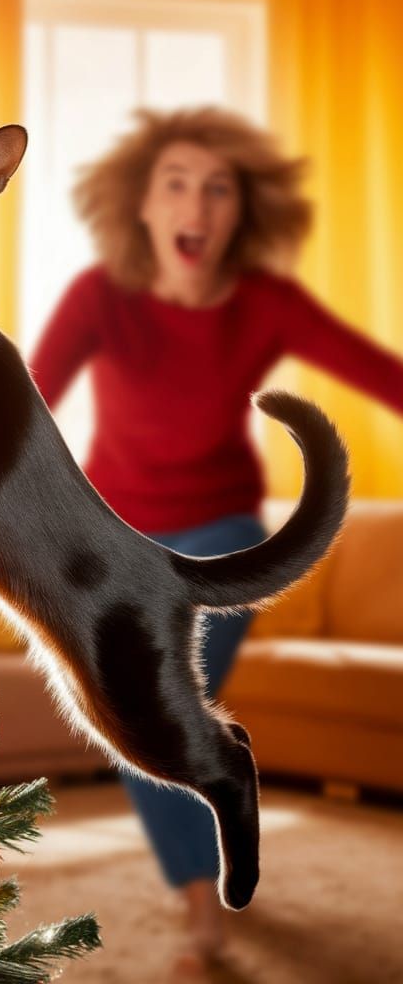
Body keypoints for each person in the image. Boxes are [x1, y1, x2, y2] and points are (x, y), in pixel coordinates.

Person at [29, 107, 403, 977]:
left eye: (217, 187)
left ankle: (206, 862)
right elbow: (33, 398)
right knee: (136, 712)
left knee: (169, 709)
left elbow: (376, 370)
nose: (195, 202)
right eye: (176, 184)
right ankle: (201, 894)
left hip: (228, 541)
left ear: (238, 212)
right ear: (145, 207)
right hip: (118, 538)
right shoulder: (100, 296)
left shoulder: (265, 302)